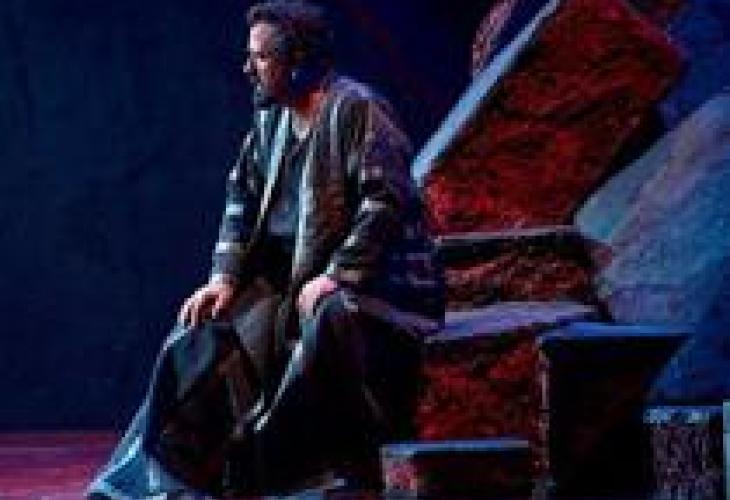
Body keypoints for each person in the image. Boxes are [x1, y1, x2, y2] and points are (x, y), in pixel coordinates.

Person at [87, 1, 444, 498]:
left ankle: (295, 474)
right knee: (204, 329)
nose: (247, 68)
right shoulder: (270, 121)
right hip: (290, 283)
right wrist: (225, 278)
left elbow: (385, 201)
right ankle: (175, 479)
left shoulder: (357, 109)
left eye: (260, 57)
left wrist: (339, 274)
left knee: (329, 318)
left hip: (378, 289)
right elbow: (242, 196)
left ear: (298, 60)